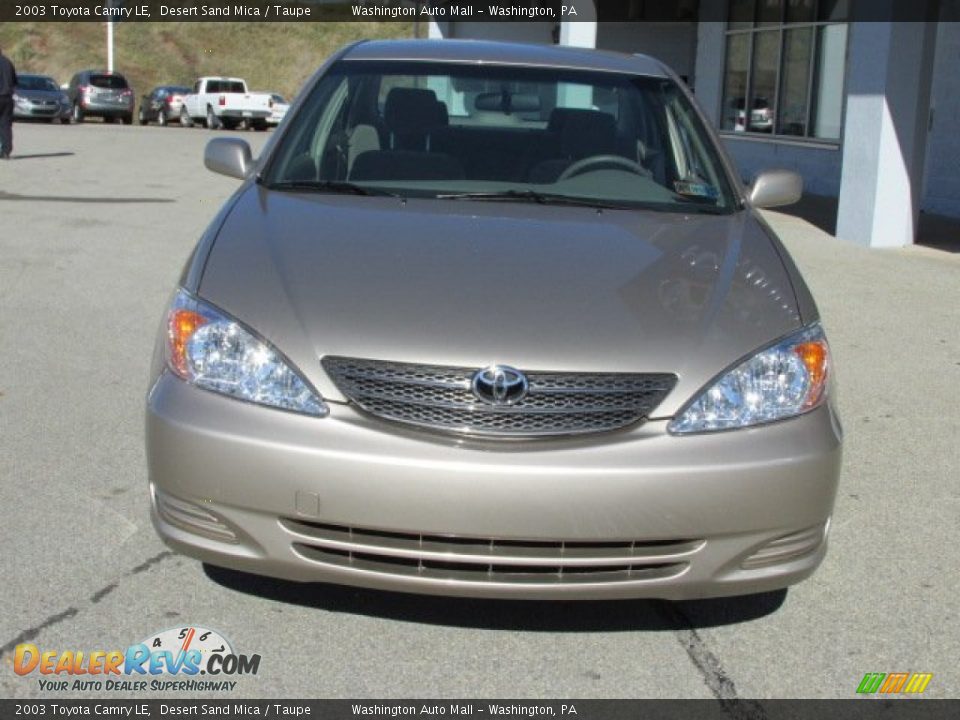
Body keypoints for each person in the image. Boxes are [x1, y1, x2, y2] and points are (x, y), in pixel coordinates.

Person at [0, 43, 17, 160]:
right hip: (7, 98)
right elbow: (15, 81)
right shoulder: (8, 62)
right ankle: (6, 151)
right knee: (6, 125)